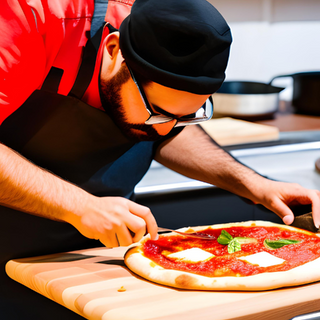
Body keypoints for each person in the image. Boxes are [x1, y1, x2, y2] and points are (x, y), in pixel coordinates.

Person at [1, 0, 320, 318]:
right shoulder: (30, 17)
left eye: (185, 117)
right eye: (157, 112)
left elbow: (168, 131)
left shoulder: (166, 35)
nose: (166, 128)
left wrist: (256, 185)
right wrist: (80, 206)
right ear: (114, 51)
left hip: (98, 264)